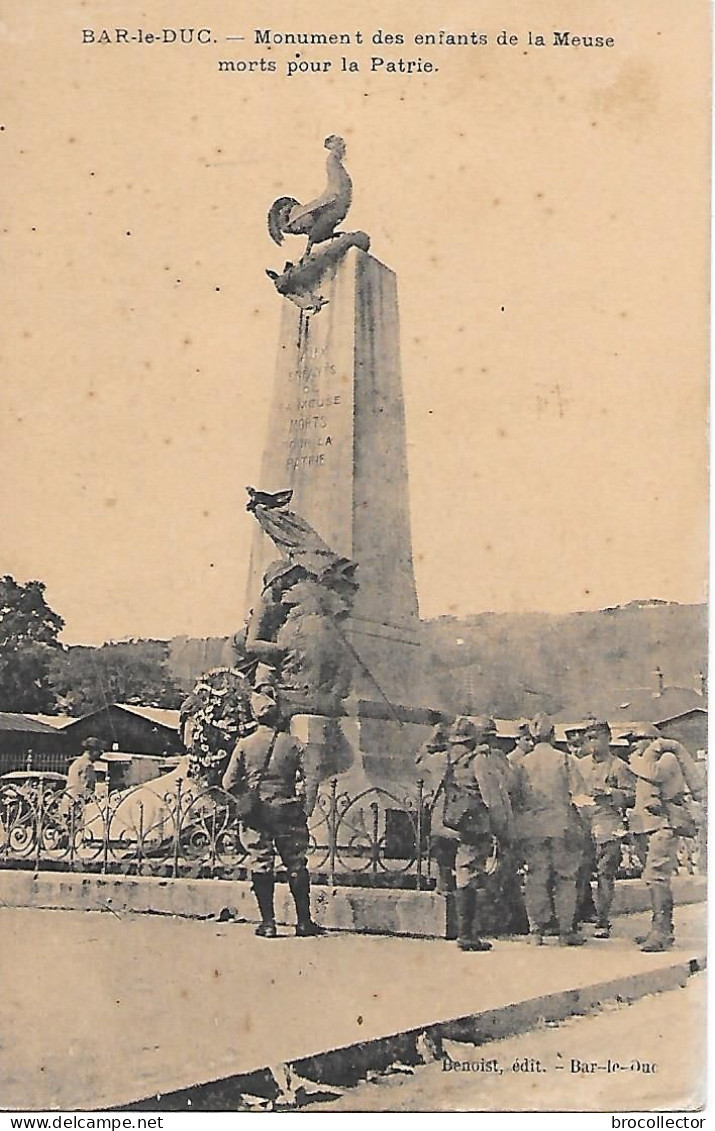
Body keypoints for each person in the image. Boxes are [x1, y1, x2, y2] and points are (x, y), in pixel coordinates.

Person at [222, 686, 323, 938]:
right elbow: (312, 775)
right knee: (297, 864)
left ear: (255, 716)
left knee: (261, 863)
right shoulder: (293, 744)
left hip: (258, 815)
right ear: (277, 714)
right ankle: (303, 923)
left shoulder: (245, 745)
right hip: (287, 811)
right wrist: (307, 805)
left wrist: (248, 796)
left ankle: (268, 924)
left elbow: (228, 783)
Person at [626, 727, 705, 952]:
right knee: (653, 879)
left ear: (653, 741)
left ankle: (661, 932)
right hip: (651, 826)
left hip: (665, 825)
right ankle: (659, 928)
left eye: (638, 740)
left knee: (658, 878)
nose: (634, 746)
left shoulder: (666, 759)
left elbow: (654, 773)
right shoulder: (647, 762)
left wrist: (636, 758)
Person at [513, 713, 589, 946]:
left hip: (531, 828)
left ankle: (536, 931)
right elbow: (581, 796)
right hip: (561, 826)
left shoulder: (522, 763)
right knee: (565, 878)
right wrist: (586, 824)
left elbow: (514, 798)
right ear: (553, 735)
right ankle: (566, 931)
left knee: (535, 878)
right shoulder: (564, 760)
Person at [441, 717, 515, 952]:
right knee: (473, 874)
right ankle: (468, 934)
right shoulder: (478, 761)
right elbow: (491, 797)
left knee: (462, 872)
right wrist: (502, 828)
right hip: (475, 823)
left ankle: (465, 931)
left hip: (454, 822)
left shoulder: (449, 760)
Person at [577, 719, 636, 938]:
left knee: (605, 874)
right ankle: (579, 915)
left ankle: (603, 921)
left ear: (608, 739)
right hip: (583, 823)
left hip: (608, 825)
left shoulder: (619, 766)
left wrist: (610, 794)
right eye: (589, 738)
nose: (592, 743)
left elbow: (632, 797)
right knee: (579, 872)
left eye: (596, 738)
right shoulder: (579, 765)